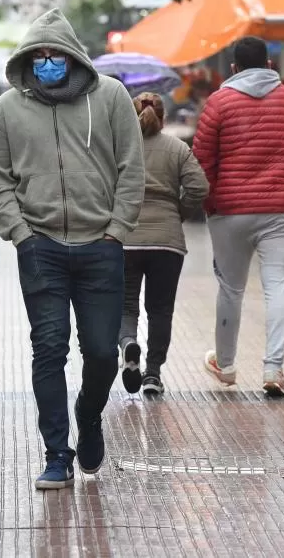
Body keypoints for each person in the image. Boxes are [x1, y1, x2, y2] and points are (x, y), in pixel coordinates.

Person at [0, 9, 145, 490]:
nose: (47, 61)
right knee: (48, 350)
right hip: (41, 247)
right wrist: (19, 233)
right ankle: (57, 452)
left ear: (73, 56)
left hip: (102, 246)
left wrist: (118, 229)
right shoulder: (8, 108)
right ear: (27, 60)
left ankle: (88, 415)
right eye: (38, 55)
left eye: (55, 54)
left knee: (101, 353)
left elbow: (132, 168)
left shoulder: (111, 96)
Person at [193, 36, 284, 397]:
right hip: (283, 210)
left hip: (230, 211)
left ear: (233, 68)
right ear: (269, 64)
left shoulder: (218, 103)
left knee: (231, 288)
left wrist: (211, 202)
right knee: (278, 288)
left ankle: (227, 365)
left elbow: (202, 160)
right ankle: (273, 369)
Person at [119, 93, 208, 396]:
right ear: (164, 118)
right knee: (160, 310)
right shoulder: (178, 148)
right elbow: (199, 186)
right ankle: (153, 373)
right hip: (167, 242)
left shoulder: (120, 148)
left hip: (126, 239)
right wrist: (178, 212)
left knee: (126, 304)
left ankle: (129, 342)